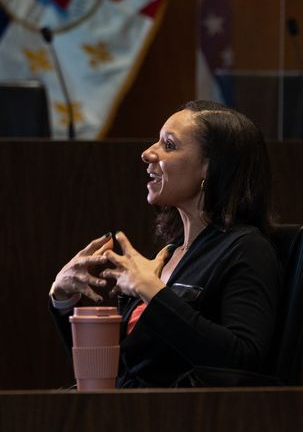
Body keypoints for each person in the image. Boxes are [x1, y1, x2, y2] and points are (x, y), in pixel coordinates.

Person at [48, 100, 283, 387]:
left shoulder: (247, 249)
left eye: (169, 145)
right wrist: (64, 299)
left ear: (210, 168)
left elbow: (243, 360)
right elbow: (114, 367)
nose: (147, 153)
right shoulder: (170, 253)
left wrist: (153, 292)